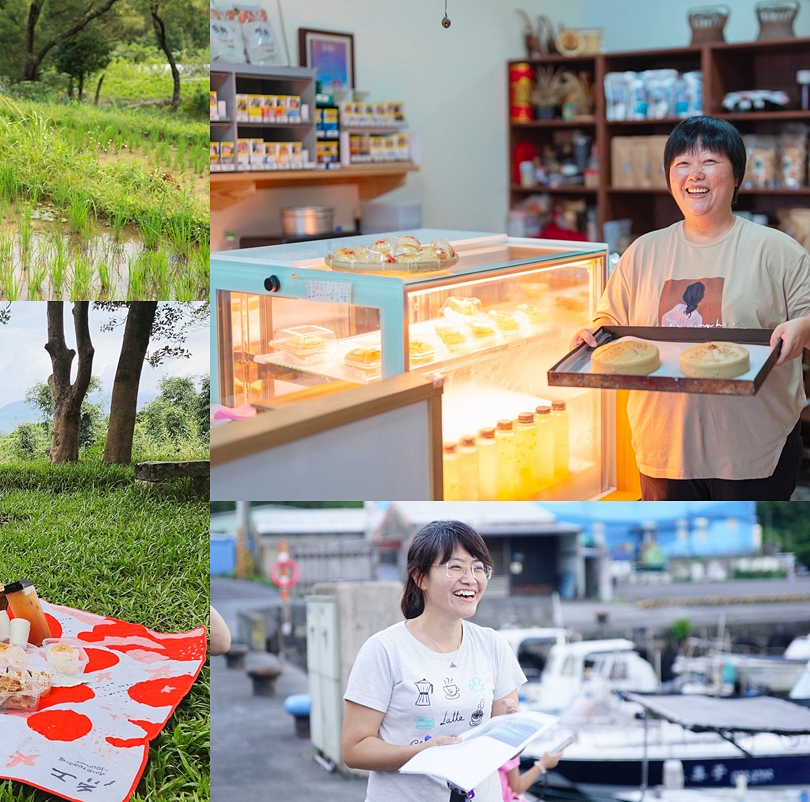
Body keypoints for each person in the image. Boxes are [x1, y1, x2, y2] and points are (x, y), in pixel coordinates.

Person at [573, 116, 810, 500]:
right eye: (682, 163)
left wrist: (802, 328)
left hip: (753, 449)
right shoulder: (642, 251)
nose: (694, 174)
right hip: (664, 447)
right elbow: (610, 322)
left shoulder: (778, 250)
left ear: (737, 176)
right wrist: (591, 337)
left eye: (710, 161)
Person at [340, 520, 527, 802]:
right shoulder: (384, 650)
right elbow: (354, 749)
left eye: (479, 568)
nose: (470, 578)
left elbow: (507, 750)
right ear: (420, 578)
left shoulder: (492, 645)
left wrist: (515, 730)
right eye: (455, 567)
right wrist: (421, 754)